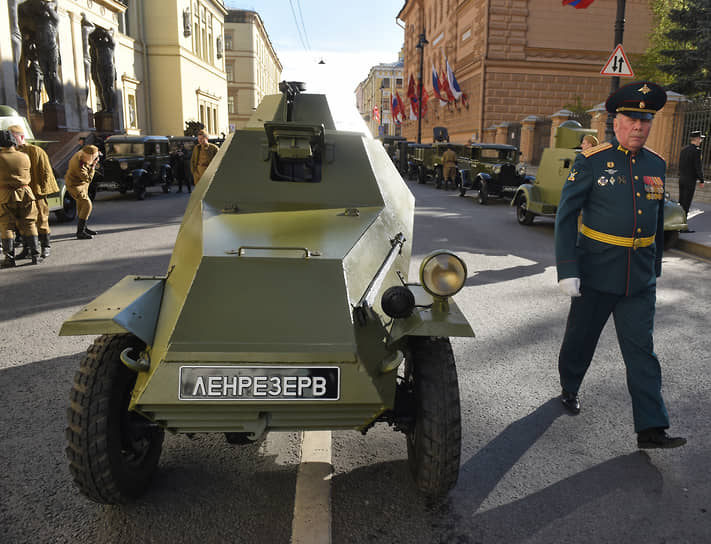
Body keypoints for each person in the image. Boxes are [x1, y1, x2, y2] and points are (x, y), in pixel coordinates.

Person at [554, 81, 686, 449]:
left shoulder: (656, 164)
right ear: (616, 122)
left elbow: (655, 220)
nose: (639, 127)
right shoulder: (593, 162)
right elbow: (566, 216)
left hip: (639, 275)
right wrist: (568, 269)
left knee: (641, 349)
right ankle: (570, 385)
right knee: (581, 339)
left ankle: (651, 427)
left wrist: (654, 266)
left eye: (645, 121)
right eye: (631, 119)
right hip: (596, 271)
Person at [8, 125, 59, 259]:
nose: (12, 140)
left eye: (14, 137)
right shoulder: (11, 152)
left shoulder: (35, 151)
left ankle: (45, 246)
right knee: (23, 222)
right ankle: (28, 249)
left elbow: (46, 172)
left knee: (41, 219)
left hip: (36, 193)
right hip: (21, 194)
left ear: (22, 137)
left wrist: (42, 191)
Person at [0, 129, 39, 267]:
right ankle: (35, 254)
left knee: (7, 226)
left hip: (5, 195)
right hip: (26, 193)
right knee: (29, 223)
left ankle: (9, 258)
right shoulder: (24, 156)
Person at [66, 145, 100, 240]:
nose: (96, 159)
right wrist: (93, 166)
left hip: (81, 184)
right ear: (89, 157)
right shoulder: (78, 165)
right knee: (87, 204)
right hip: (75, 185)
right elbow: (88, 179)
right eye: (94, 157)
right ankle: (80, 232)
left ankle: (84, 228)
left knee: (81, 206)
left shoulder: (82, 153)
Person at [677, 130, 705, 233]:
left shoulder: (684, 150)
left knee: (681, 203)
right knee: (686, 204)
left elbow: (680, 165)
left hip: (682, 179)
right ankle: (683, 227)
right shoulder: (696, 151)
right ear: (697, 139)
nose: (701, 141)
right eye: (700, 139)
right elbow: (698, 166)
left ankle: (677, 225)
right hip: (690, 181)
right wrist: (701, 179)